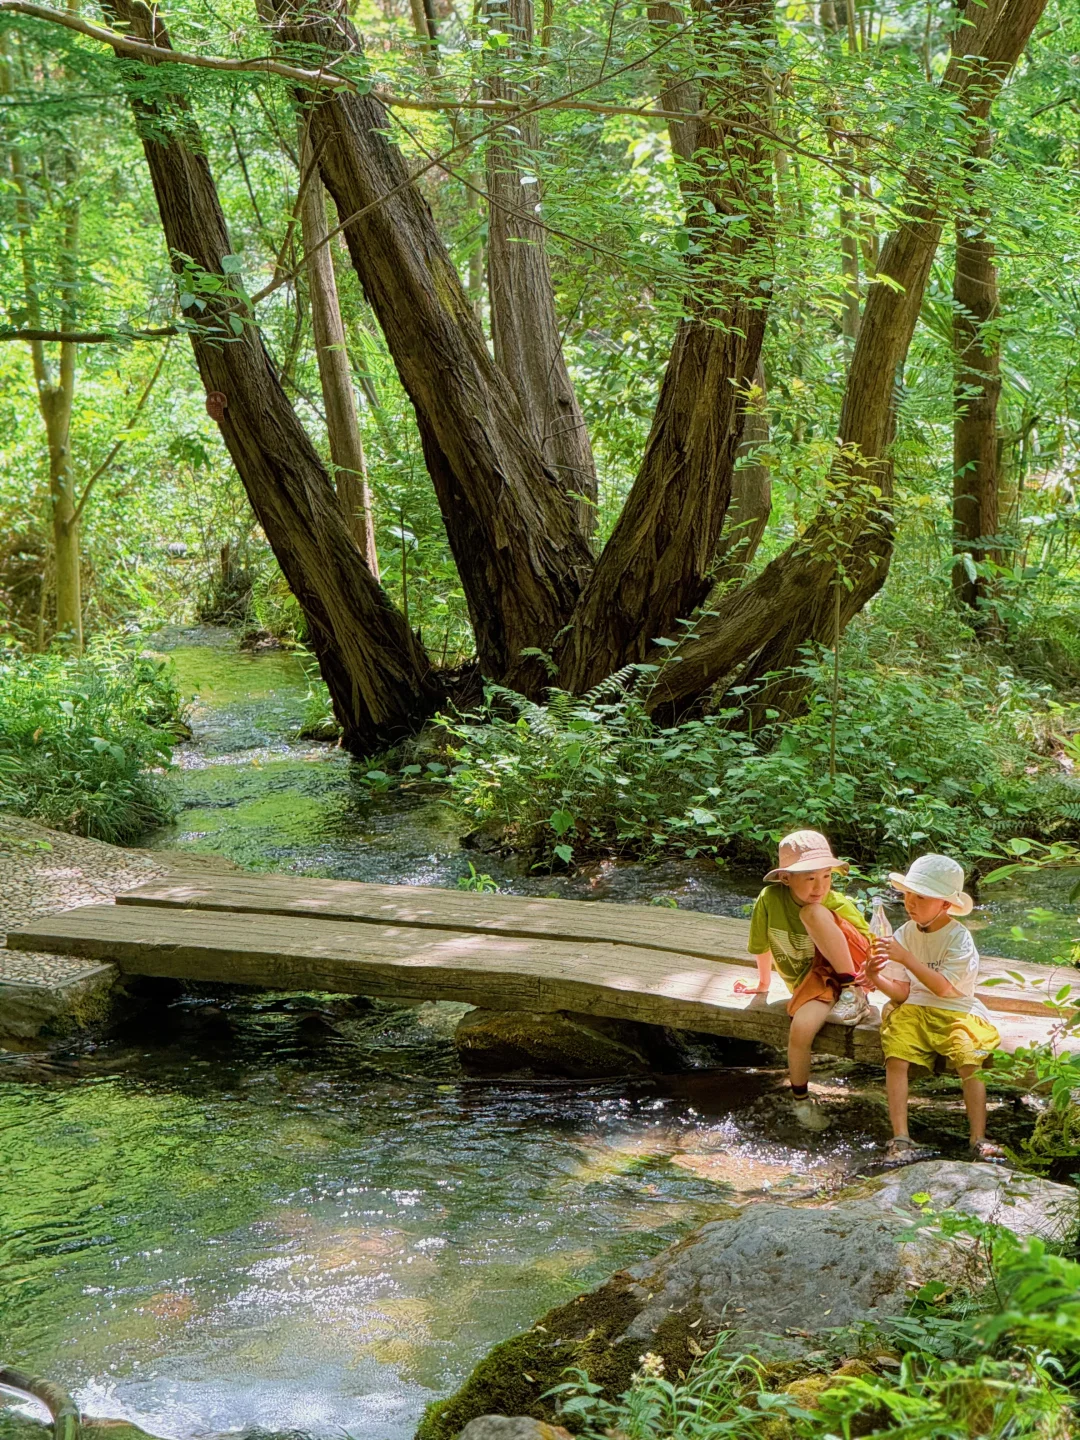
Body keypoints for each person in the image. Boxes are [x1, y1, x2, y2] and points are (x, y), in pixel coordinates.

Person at [867, 854, 1004, 1163]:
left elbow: (944, 988)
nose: (910, 903)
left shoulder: (959, 937)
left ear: (945, 904)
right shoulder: (905, 933)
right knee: (896, 1053)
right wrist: (875, 976)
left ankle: (978, 1137)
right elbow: (902, 992)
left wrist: (906, 958)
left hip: (957, 1009)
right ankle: (901, 1135)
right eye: (908, 895)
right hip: (915, 1008)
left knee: (969, 1056)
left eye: (921, 897)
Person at [740, 829, 872, 1131]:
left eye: (826, 877)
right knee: (800, 1027)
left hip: (851, 971)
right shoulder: (771, 899)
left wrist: (868, 979)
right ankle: (801, 1100)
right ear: (786, 878)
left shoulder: (835, 904)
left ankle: (854, 994)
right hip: (818, 980)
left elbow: (871, 947)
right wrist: (763, 984)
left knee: (813, 913)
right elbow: (760, 944)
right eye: (810, 878)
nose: (820, 886)